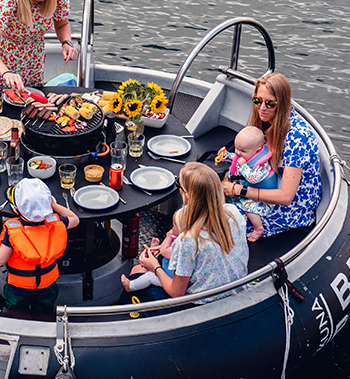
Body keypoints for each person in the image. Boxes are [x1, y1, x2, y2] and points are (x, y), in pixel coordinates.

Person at [124, 163, 249, 305]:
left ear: (188, 196)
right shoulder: (233, 213)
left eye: (179, 185)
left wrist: (155, 267)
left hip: (202, 307)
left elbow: (177, 293)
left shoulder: (189, 240)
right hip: (236, 292)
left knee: (136, 271)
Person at [221, 73, 322, 237]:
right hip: (265, 188)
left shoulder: (297, 138)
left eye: (269, 103)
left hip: (290, 210)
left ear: (281, 104)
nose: (262, 108)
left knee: (216, 221)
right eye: (257, 100)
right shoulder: (267, 123)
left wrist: (239, 189)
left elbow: (286, 196)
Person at [0, 178, 79, 318]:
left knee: (17, 315)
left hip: (18, 289)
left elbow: (0, 257)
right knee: (45, 313)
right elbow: (75, 219)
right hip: (47, 286)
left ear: (15, 209)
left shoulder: (12, 230)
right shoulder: (55, 223)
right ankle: (42, 333)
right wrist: (52, 205)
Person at [216, 126, 280, 242]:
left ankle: (258, 228)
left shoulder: (262, 165)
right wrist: (226, 156)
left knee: (247, 207)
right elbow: (235, 158)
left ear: (257, 150)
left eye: (242, 151)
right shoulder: (245, 153)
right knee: (223, 194)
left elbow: (253, 179)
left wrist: (243, 166)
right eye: (236, 148)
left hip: (260, 199)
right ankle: (221, 210)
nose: (238, 152)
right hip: (244, 190)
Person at [120, 206, 184, 292]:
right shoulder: (179, 238)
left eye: (174, 225)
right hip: (168, 267)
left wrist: (168, 237)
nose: (172, 228)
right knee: (138, 268)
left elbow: (165, 251)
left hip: (170, 279)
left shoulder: (181, 246)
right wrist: (155, 248)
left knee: (149, 277)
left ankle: (131, 286)